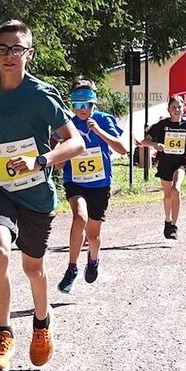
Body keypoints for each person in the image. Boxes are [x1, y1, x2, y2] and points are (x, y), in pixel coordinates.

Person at [0, 20, 85, 371]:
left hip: (36, 194)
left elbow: (76, 141)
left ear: (29, 54)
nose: (9, 55)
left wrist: (42, 159)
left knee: (33, 267)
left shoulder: (41, 95)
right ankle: (3, 332)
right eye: (3, 49)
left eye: (17, 49)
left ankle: (42, 323)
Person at [55, 80, 127, 294]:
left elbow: (122, 149)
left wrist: (99, 132)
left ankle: (93, 260)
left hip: (99, 183)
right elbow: (56, 142)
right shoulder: (67, 122)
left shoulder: (104, 120)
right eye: (77, 105)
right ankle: (72, 268)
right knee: (80, 217)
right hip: (75, 180)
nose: (82, 110)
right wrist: (57, 160)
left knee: (93, 236)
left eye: (86, 104)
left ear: (94, 103)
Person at [138, 95, 186, 239]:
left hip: (180, 163)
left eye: (179, 107)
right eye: (173, 107)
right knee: (168, 195)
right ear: (169, 110)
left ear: (183, 108)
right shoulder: (162, 125)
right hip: (165, 163)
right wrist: (155, 145)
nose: (177, 110)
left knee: (176, 189)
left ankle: (174, 226)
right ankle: (167, 220)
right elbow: (144, 141)